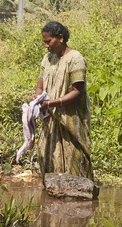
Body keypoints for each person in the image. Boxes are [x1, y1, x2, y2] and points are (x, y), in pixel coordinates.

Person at [34, 21, 93, 183]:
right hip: (50, 117)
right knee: (48, 153)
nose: (46, 46)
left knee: (73, 154)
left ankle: (81, 193)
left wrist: (52, 103)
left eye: (48, 41)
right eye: (45, 42)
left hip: (71, 119)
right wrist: (36, 98)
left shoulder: (75, 59)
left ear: (60, 38)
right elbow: (40, 86)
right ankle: (52, 191)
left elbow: (77, 91)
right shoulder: (47, 59)